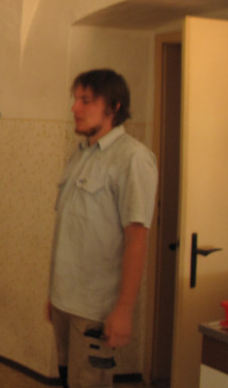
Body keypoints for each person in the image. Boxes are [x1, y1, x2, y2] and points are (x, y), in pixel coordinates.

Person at [46, 69, 158, 388]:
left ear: (114, 107)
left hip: (95, 309)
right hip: (65, 301)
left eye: (86, 100)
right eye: (75, 99)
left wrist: (123, 310)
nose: (75, 108)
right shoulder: (80, 154)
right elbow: (71, 232)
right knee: (69, 379)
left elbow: (137, 240)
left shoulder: (133, 158)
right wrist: (53, 295)